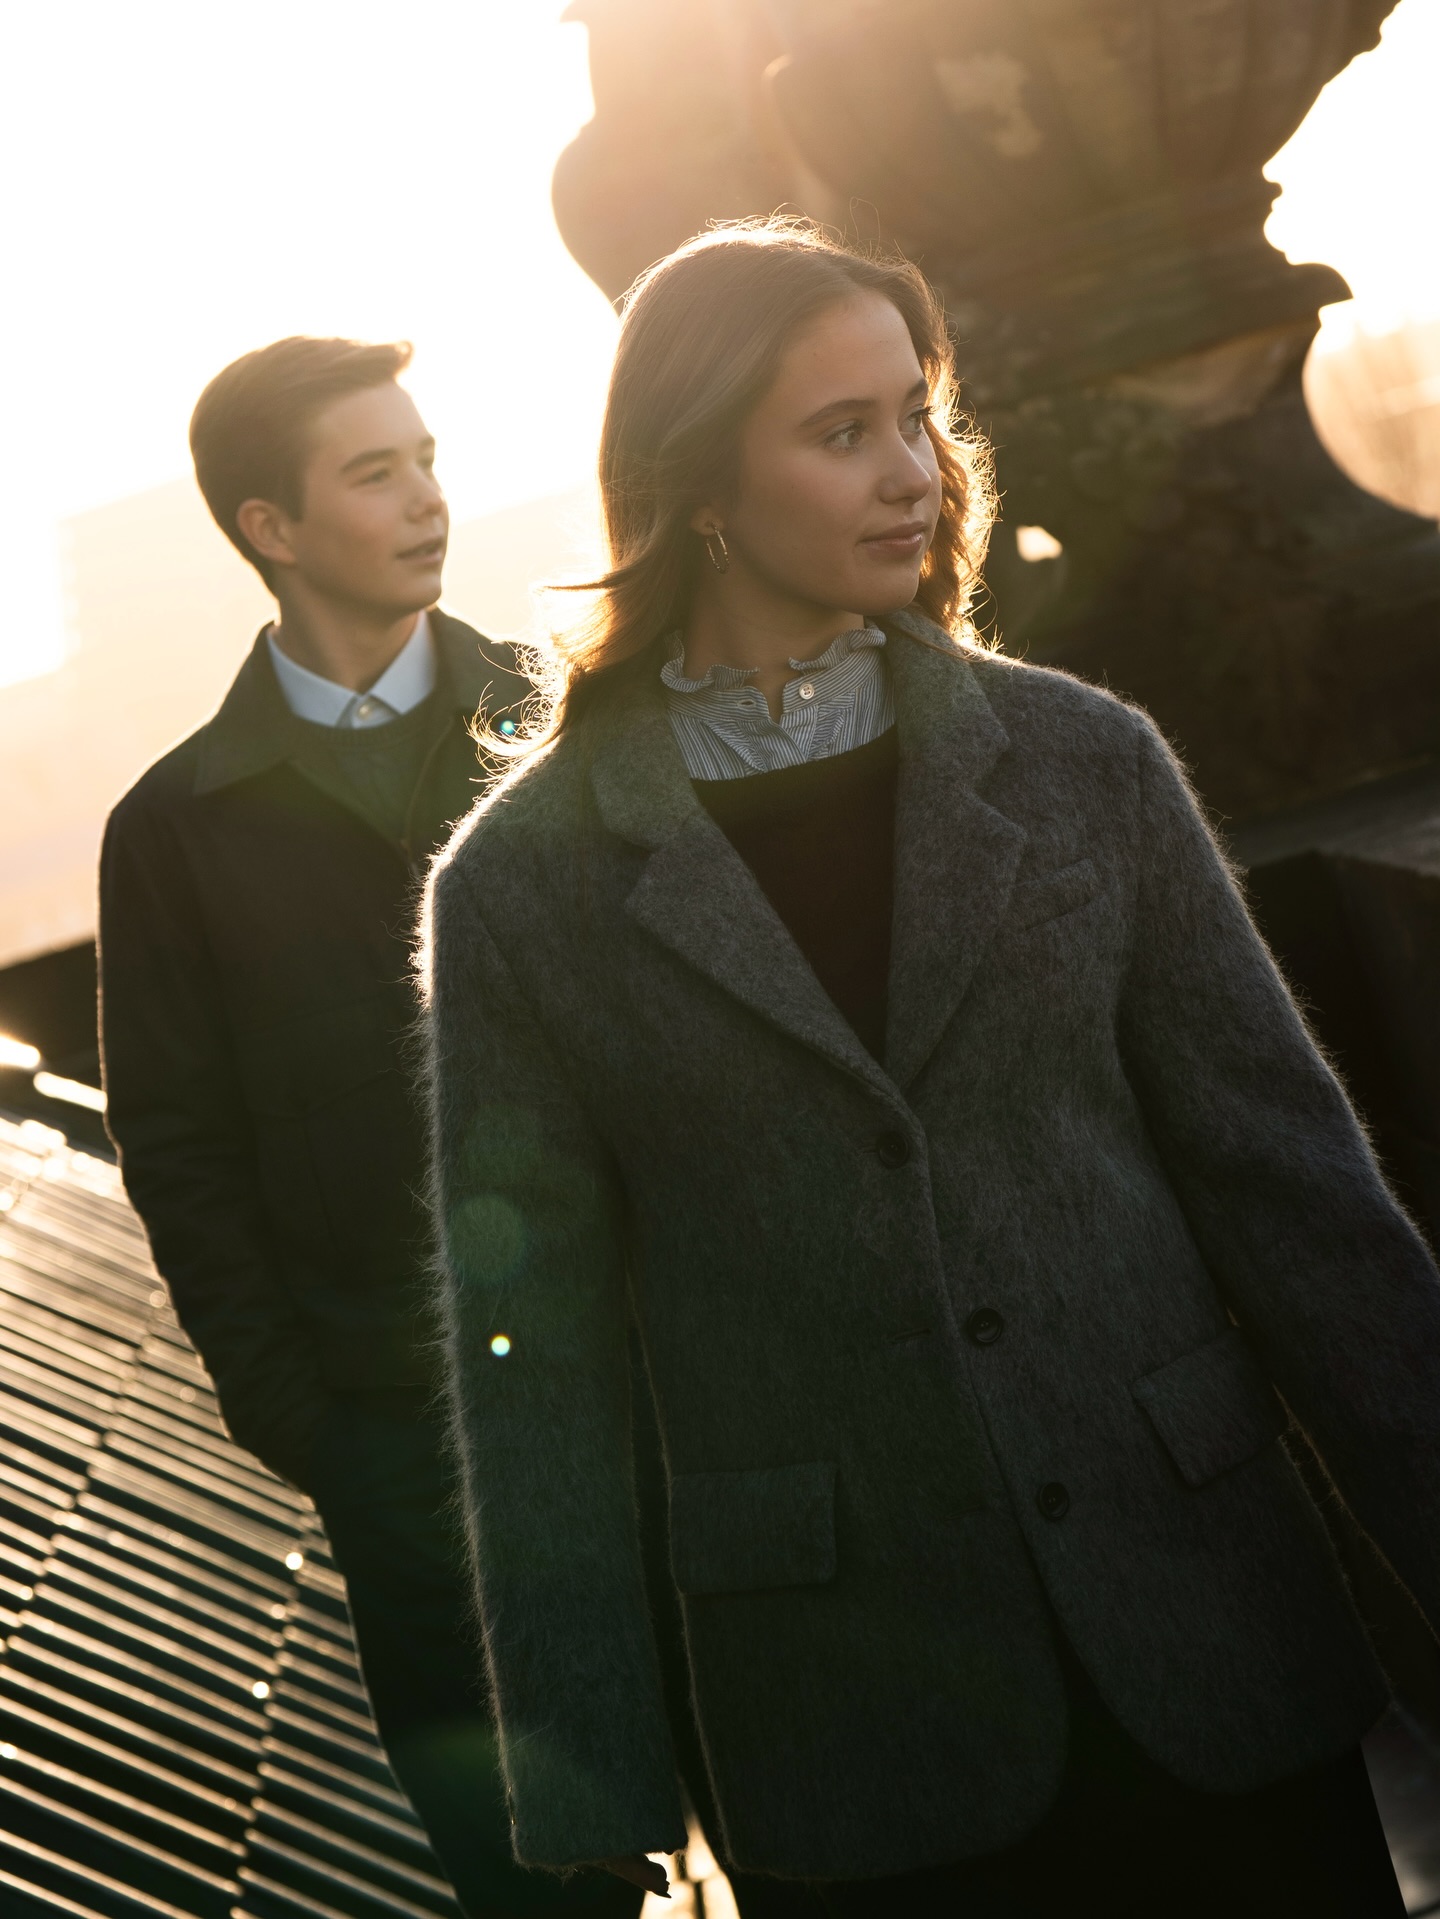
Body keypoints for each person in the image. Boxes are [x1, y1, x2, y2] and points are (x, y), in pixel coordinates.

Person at [420, 218, 1440, 1918]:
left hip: (1213, 1635)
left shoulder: (1084, 763)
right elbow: (534, 1360)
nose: (910, 473)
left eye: (916, 416)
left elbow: (1302, 1199)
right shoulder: (524, 888)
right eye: (841, 433)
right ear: (696, 480)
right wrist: (591, 1762)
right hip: (852, 1714)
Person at [98, 336, 643, 1918]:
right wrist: (302, 1417)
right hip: (410, 1446)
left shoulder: (578, 723)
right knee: (543, 1876)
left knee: (818, 1825)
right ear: (272, 527)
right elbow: (180, 1147)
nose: (428, 500)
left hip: (678, 1378)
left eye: (428, 458)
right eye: (375, 471)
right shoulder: (177, 831)